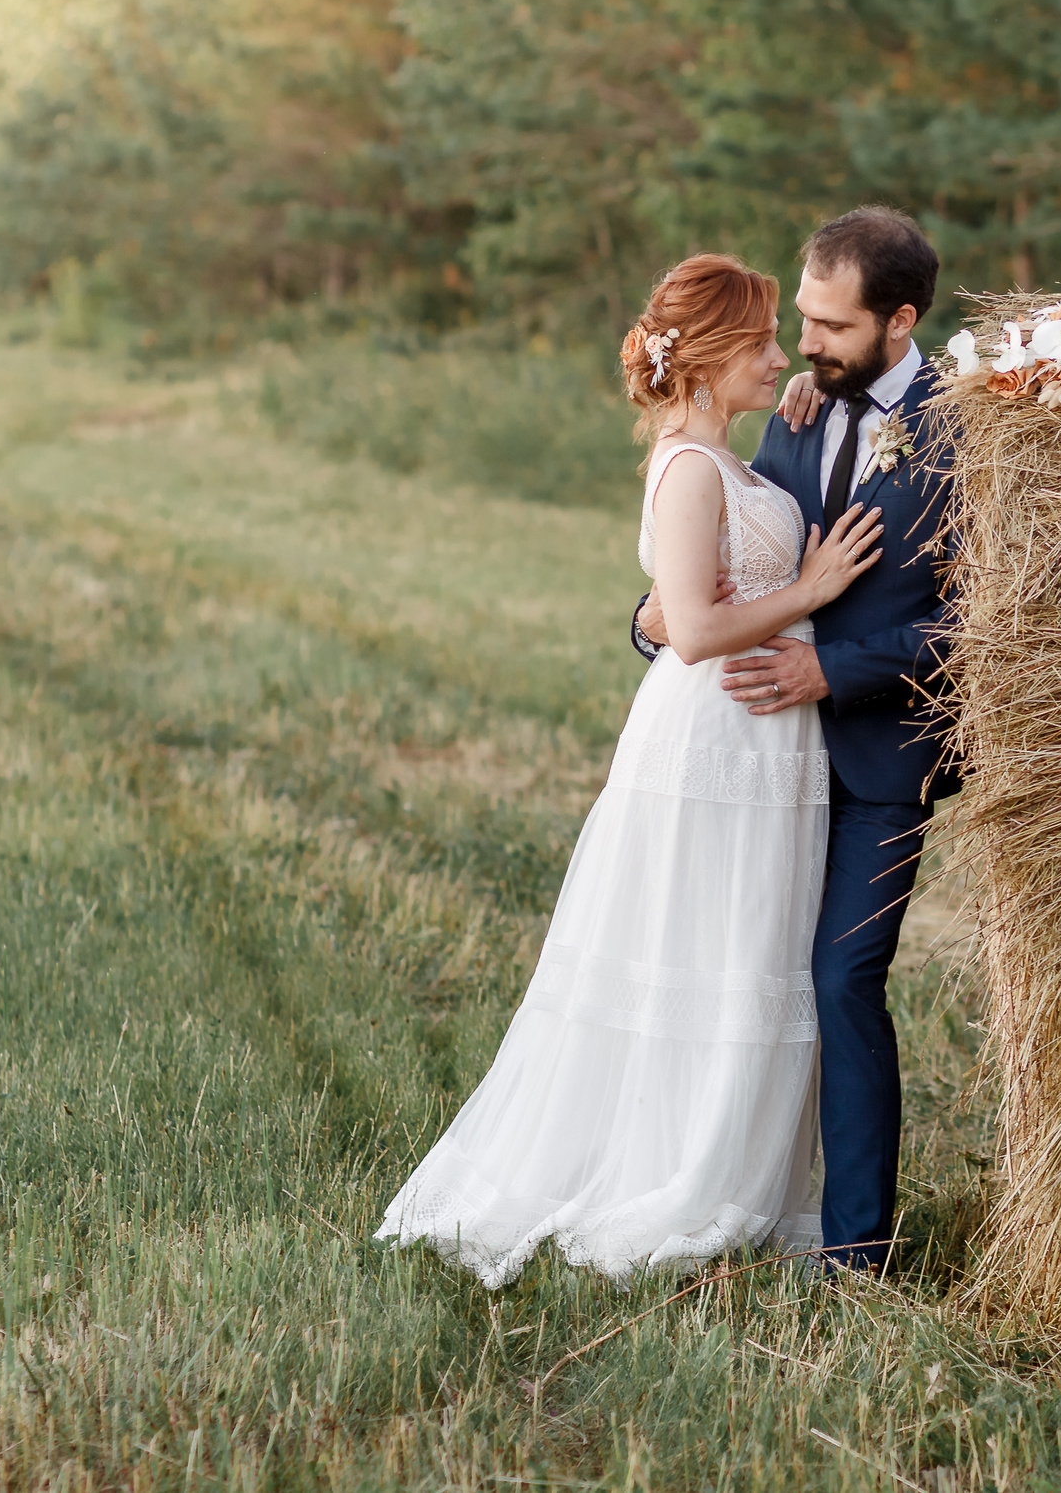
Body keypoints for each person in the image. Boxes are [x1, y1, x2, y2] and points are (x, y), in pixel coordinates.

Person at [377, 252, 886, 1288]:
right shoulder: (688, 469)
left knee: (748, 948)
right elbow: (692, 629)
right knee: (699, 944)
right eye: (759, 344)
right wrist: (814, 584)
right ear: (700, 360)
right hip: (713, 739)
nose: (778, 354)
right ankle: (676, 1173)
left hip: (765, 742)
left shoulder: (734, 460)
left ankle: (734, 1169)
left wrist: (787, 432)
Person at [636, 207, 957, 1275]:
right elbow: (736, 556)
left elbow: (986, 620)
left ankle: (856, 1246)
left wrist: (834, 667)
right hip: (760, 760)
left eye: (829, 323)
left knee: (839, 979)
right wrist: (652, 618)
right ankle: (725, 1193)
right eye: (800, 318)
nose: (805, 343)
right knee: (740, 972)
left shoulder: (971, 430)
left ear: (900, 317)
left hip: (881, 761)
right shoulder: (798, 411)